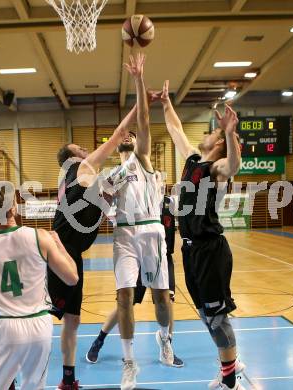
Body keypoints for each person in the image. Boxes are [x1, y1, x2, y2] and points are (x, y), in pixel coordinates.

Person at [158, 80, 246, 390]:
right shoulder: (194, 160)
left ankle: (230, 380)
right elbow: (175, 130)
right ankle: (231, 362)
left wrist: (231, 133)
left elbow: (234, 164)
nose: (205, 133)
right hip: (190, 250)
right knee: (207, 314)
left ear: (220, 143)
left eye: (213, 132)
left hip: (211, 250)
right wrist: (166, 102)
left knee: (217, 317)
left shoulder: (217, 170)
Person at [48, 110, 136, 390]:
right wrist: (138, 104)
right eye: (80, 149)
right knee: (38, 319)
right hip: (58, 251)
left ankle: (67, 379)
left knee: (72, 319)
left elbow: (104, 196)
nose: (86, 150)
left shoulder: (87, 181)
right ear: (72, 159)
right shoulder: (79, 169)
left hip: (71, 253)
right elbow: (116, 138)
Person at [101, 54, 174, 390]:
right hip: (123, 236)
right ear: (115, 141)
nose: (129, 136)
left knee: (162, 297)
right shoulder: (107, 178)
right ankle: (129, 363)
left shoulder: (141, 159)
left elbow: (144, 120)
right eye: (123, 136)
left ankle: (164, 337)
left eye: (131, 134)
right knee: (124, 297)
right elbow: (99, 209)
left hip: (152, 231)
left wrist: (139, 80)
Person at [0, 182, 78, 390]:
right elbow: (72, 277)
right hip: (39, 325)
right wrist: (59, 244)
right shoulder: (40, 236)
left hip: (4, 326)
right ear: (14, 208)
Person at [86, 173, 183, 367]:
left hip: (162, 257)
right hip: (138, 256)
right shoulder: (135, 206)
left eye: (160, 179)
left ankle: (167, 344)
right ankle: (100, 339)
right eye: (153, 179)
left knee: (167, 300)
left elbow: (189, 211)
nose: (158, 182)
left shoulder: (170, 203)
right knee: (125, 302)